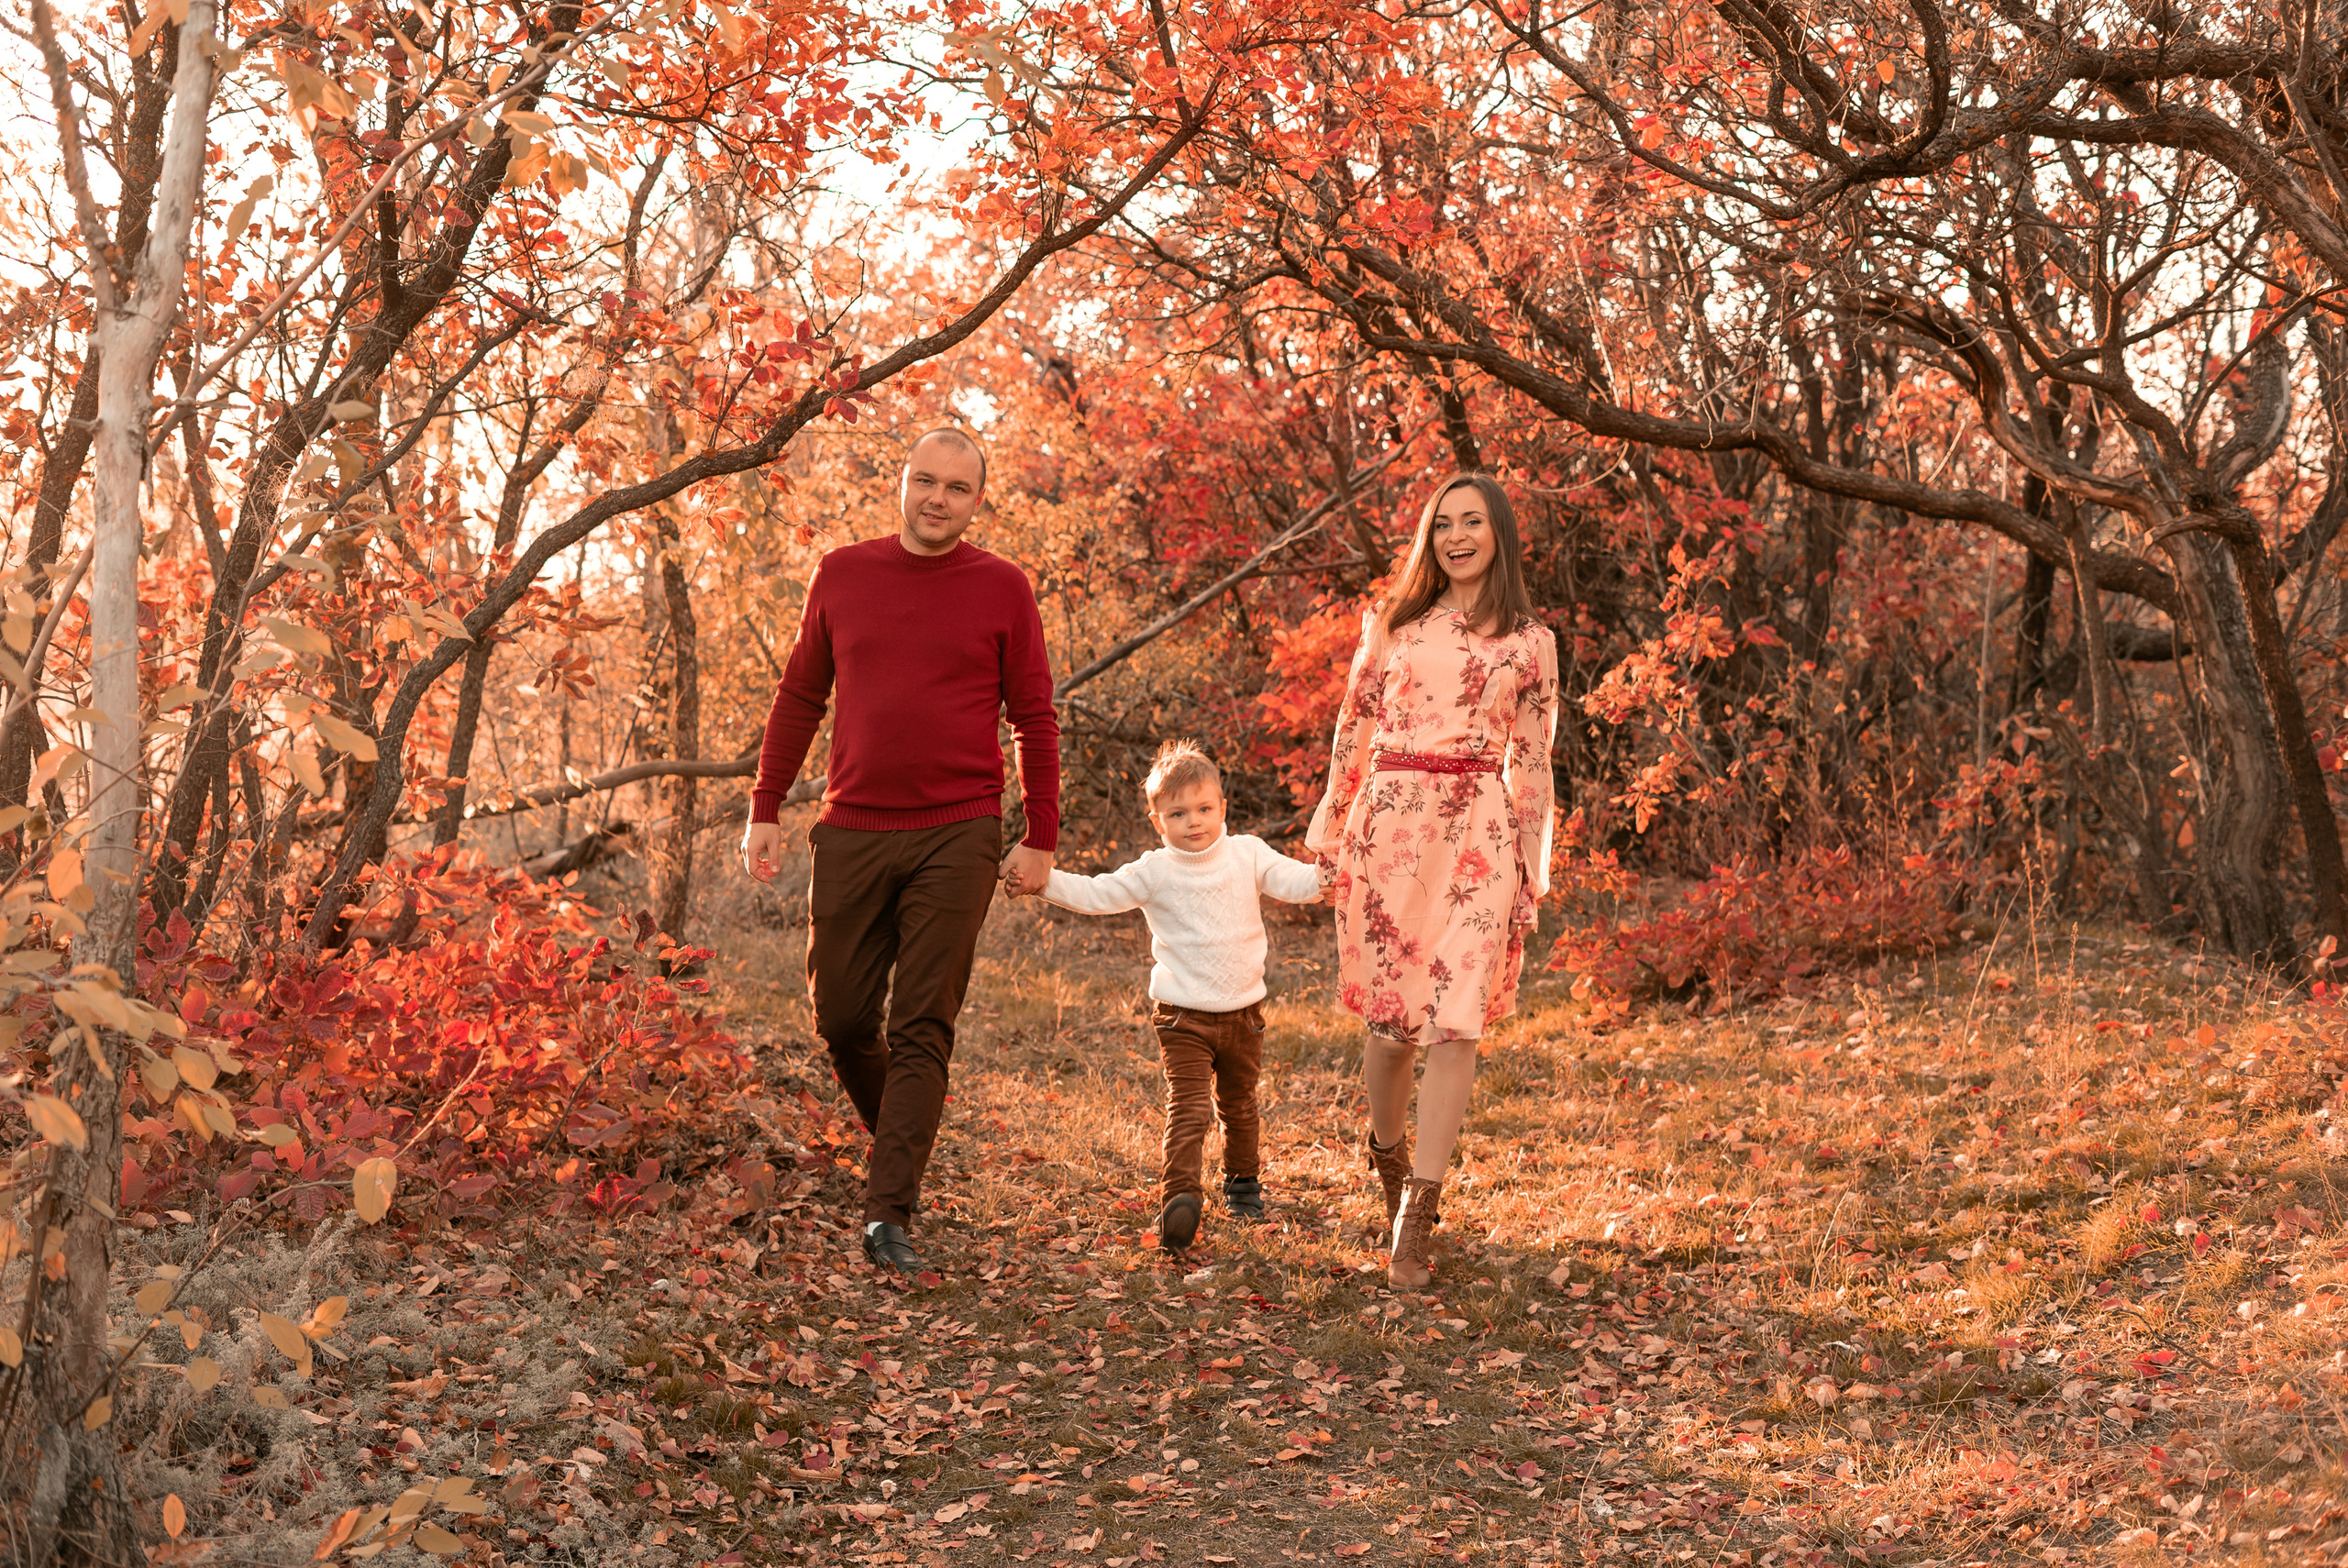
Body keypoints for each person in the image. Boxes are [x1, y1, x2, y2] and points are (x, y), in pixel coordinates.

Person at [739, 426, 1058, 1279]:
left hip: (959, 829)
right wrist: (766, 806)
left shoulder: (1002, 587)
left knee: (922, 1023)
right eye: (925, 481)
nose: (937, 499)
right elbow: (800, 695)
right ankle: (904, 1144)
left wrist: (1040, 835)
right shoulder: (842, 574)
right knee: (842, 1018)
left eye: (957, 488)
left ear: (977, 500)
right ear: (902, 482)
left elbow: (1034, 717)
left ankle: (889, 1213)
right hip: (852, 826)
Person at [1306, 471, 1557, 1290]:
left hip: (1479, 833)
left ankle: (1418, 1214)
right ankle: (1386, 1151)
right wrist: (1331, 834)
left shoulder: (1531, 643)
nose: (1456, 537)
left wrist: (1529, 866)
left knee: (1456, 1023)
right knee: (1391, 1032)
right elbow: (1352, 730)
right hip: (1391, 830)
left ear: (1499, 533)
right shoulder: (1394, 625)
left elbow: (1535, 762)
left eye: (1472, 522)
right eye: (1443, 524)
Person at [1009, 740, 1326, 1251]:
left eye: (1204, 809)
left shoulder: (1247, 854)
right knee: (1189, 1109)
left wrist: (1327, 878)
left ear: (1222, 808)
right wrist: (1042, 882)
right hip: (1182, 1017)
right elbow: (1096, 893)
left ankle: (1243, 1186)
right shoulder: (1155, 871)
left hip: (1245, 1014)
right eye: (1178, 814)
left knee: (1240, 1105)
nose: (1193, 822)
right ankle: (1179, 1198)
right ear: (1158, 822)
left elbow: (1292, 880)